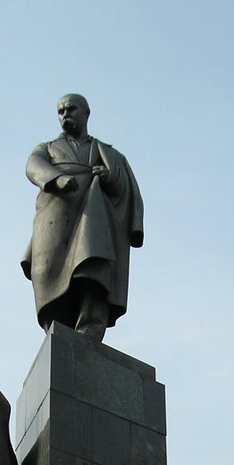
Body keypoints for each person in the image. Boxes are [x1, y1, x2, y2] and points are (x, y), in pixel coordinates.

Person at [21, 93, 144, 343]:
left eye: (71, 109)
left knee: (93, 270)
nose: (65, 115)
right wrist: (57, 178)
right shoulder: (47, 148)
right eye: (61, 111)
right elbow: (33, 165)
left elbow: (126, 186)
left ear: (86, 113)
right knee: (48, 275)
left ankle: (89, 330)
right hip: (55, 215)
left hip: (93, 217)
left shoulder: (107, 153)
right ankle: (58, 335)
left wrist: (108, 177)